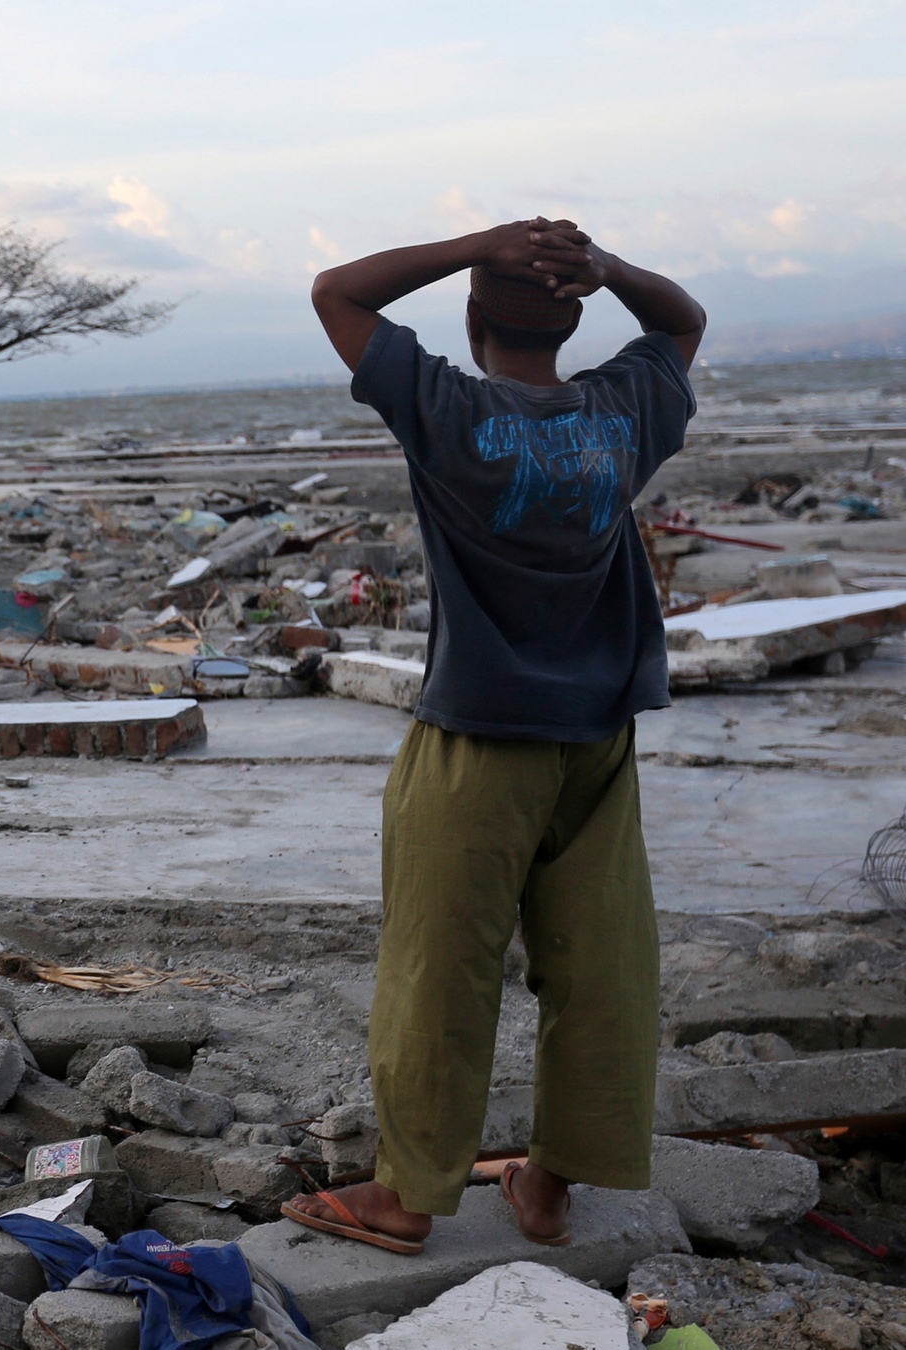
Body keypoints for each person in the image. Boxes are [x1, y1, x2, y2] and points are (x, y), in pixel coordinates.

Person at [286, 219, 707, 1254]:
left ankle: (407, 1199)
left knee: (440, 965)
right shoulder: (622, 410)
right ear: (573, 321)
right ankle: (550, 1188)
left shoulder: (450, 410)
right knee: (602, 966)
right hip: (598, 738)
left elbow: (338, 291)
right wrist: (607, 271)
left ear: (474, 320)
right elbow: (683, 319)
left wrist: (480, 242)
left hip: (478, 735)